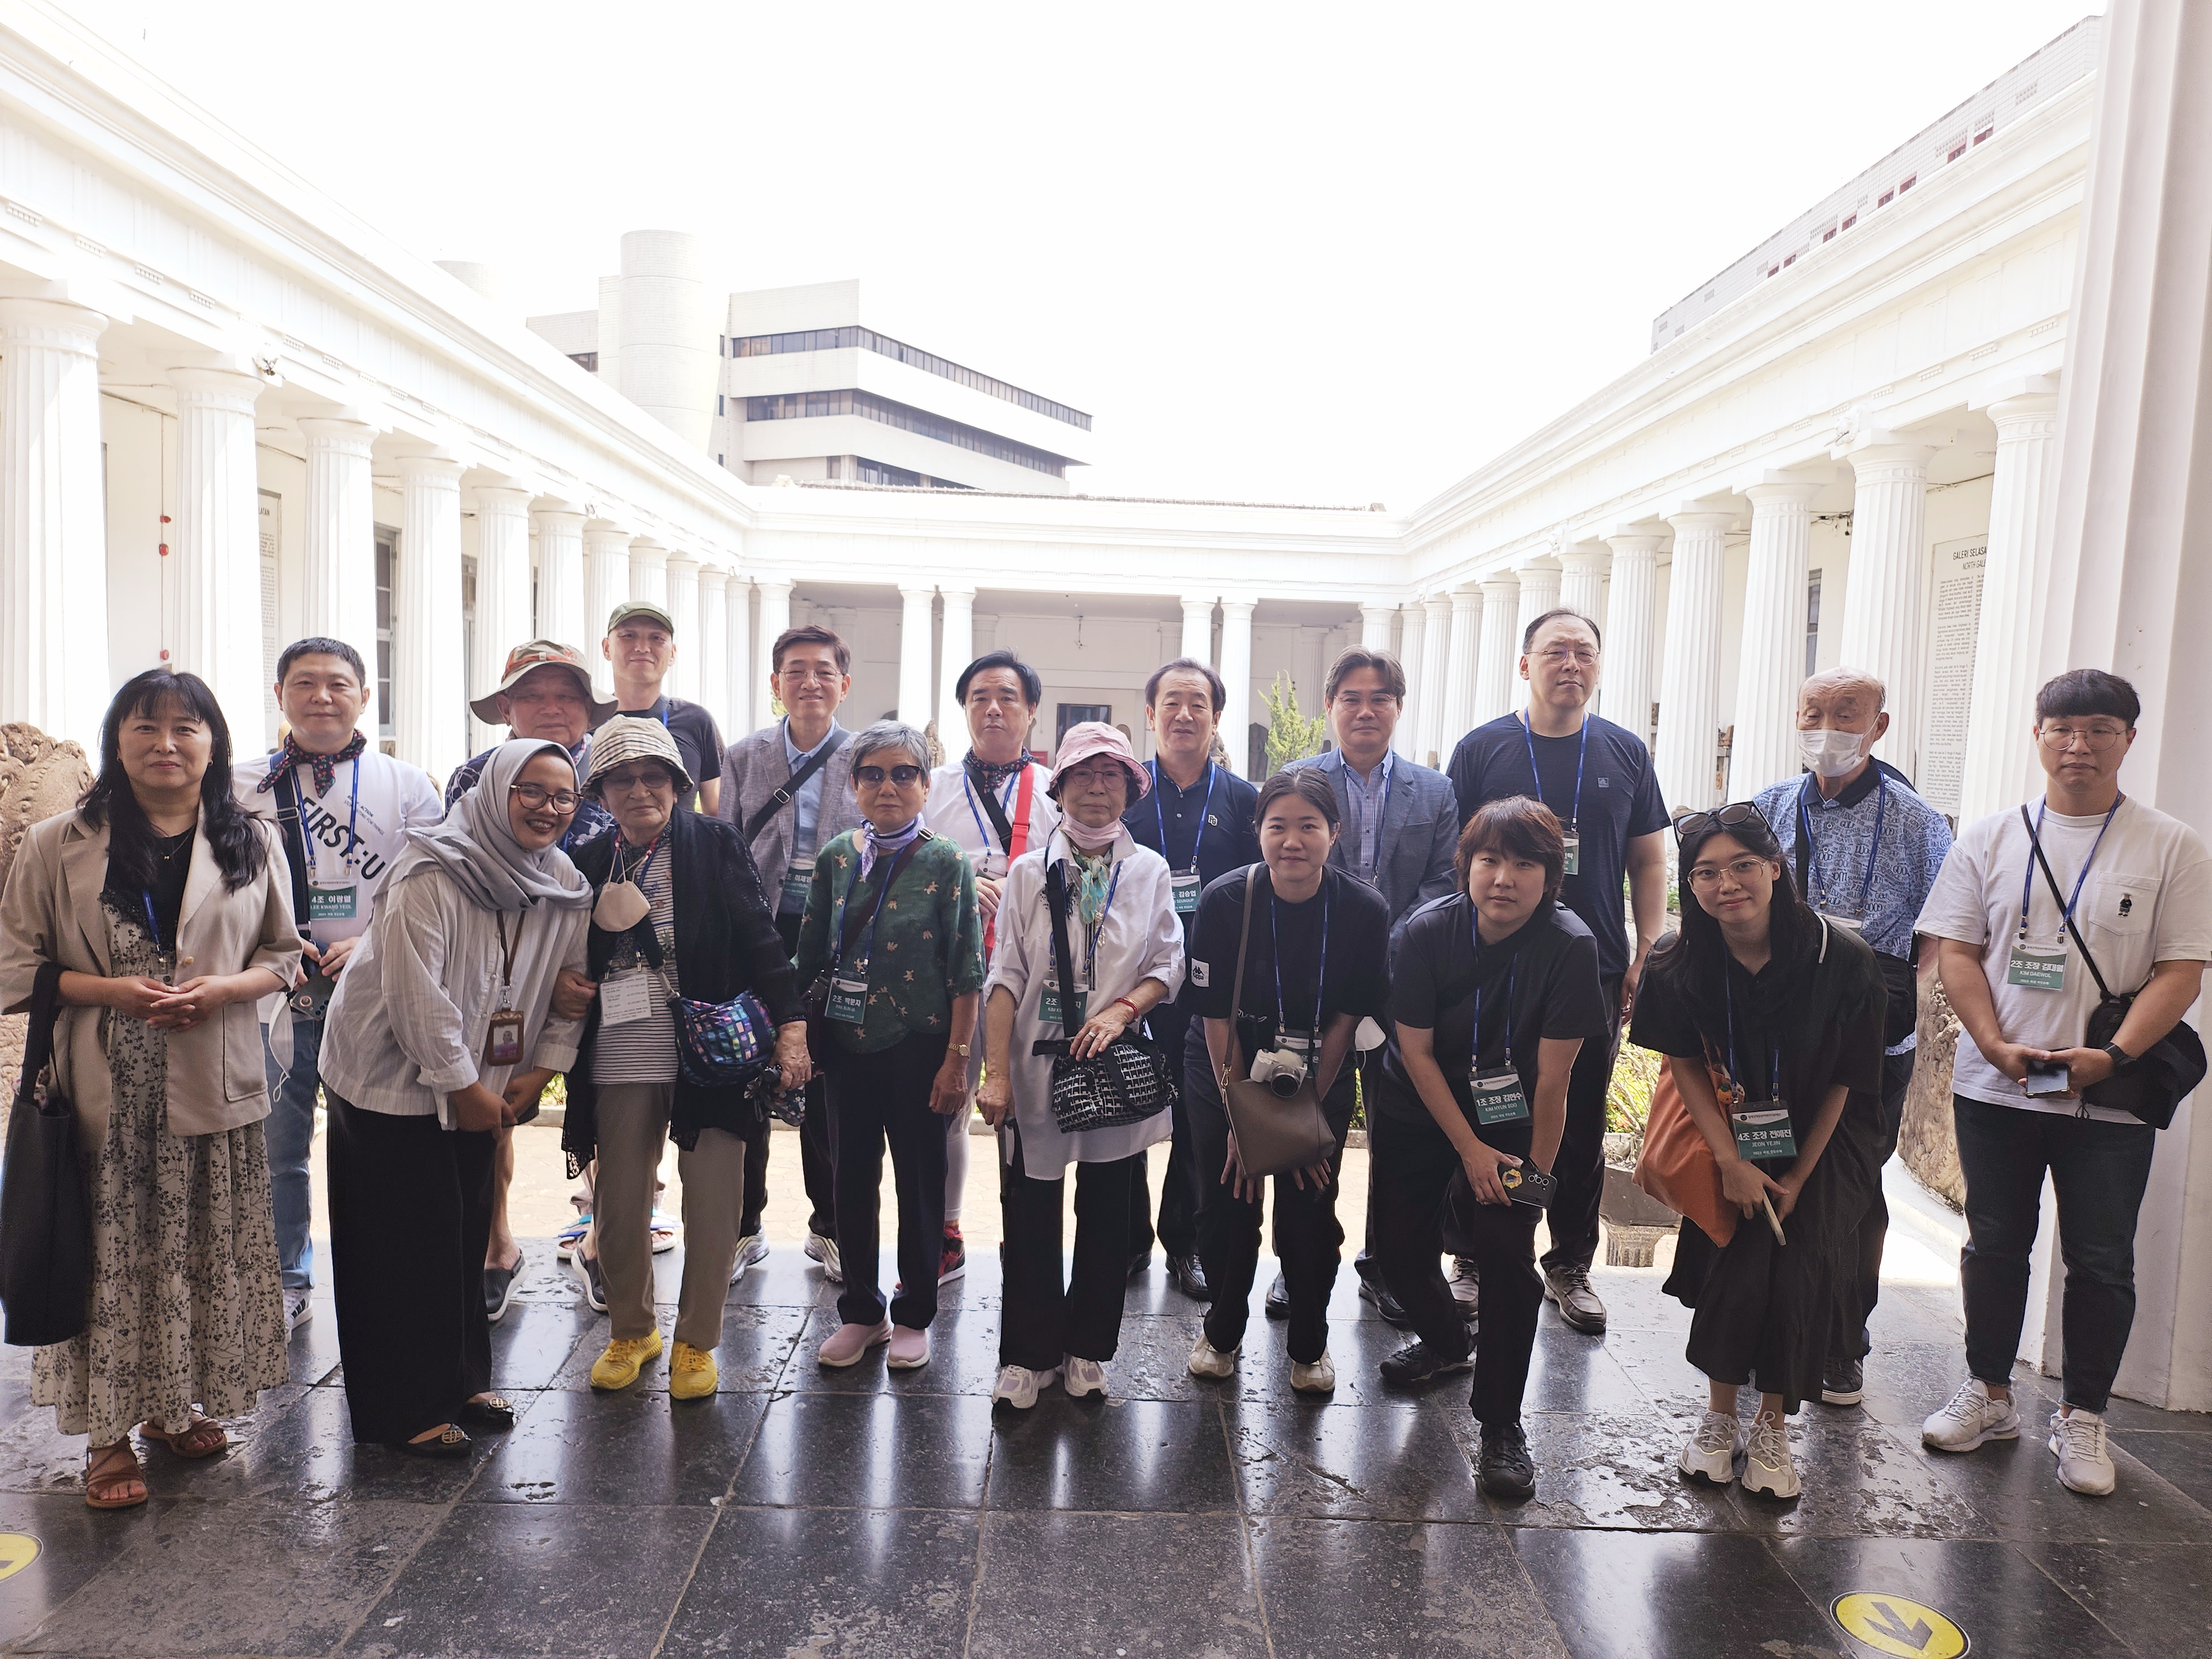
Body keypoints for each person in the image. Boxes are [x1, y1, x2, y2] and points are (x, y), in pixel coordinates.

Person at [0, 669, 301, 1510]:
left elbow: (284, 957)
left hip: (213, 1080)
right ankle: (107, 1438)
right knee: (110, 1261)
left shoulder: (251, 840)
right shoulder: (58, 842)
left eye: (186, 729)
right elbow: (14, 968)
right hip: (103, 1090)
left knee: (199, 1253)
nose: (166, 745)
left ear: (214, 744)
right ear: (117, 739)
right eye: (146, 728)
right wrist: (112, 993)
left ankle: (173, 1408)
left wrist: (220, 992)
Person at [1916, 670, 2209, 1498]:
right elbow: (1957, 953)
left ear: (2128, 740)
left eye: (2099, 730)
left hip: (2108, 1097)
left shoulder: (2172, 845)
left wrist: (2112, 1057)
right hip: (1996, 1086)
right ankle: (1989, 1393)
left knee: (2102, 1258)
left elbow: (2182, 970)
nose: (2078, 745)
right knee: (1995, 1244)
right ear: (2037, 735)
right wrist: (1993, 1041)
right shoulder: (1991, 838)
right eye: (2062, 729)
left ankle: (2084, 1417)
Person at [319, 739, 593, 1456]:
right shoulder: (429, 872)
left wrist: (542, 1069)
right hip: (387, 1081)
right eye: (531, 790)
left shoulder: (562, 881)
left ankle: (462, 1379)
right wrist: (465, 1086)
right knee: (399, 1248)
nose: (549, 808)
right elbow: (418, 1000)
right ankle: (401, 1408)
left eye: (564, 795)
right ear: (495, 790)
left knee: (464, 1235)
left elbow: (573, 986)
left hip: (483, 1083)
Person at [1629, 802, 1887, 1501]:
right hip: (1726, 1124)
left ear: (1775, 868)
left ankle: (1773, 1425)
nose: (1726, 885)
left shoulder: (1843, 960)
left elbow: (1846, 1079)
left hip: (1826, 1137)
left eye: (1743, 866)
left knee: (1798, 1265)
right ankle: (1720, 1419)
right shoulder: (1679, 959)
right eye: (1706, 873)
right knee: (1735, 1258)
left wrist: (1799, 1173)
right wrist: (1730, 1161)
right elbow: (1682, 1062)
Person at [556, 719, 810, 1401]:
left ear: (675, 784)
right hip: (619, 1049)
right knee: (619, 1200)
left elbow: (761, 935)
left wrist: (792, 1027)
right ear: (600, 792)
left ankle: (697, 1342)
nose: (639, 790)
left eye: (653, 776)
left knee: (714, 1199)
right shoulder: (586, 858)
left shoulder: (712, 840)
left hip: (711, 1050)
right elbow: (562, 952)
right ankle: (633, 1331)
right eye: (621, 779)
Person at [1368, 799, 1608, 1497]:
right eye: (1489, 860)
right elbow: (1413, 1052)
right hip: (1420, 1106)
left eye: (1524, 863)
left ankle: (1501, 1423)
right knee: (1399, 1249)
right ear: (1465, 866)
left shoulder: (1569, 945)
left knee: (1506, 1258)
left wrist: (1531, 1181)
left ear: (1550, 876)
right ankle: (1448, 1345)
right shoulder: (1425, 932)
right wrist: (1466, 1149)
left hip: (1514, 1118)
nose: (1503, 878)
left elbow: (1556, 1078)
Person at [1446, 608, 1669, 1337]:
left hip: (1592, 965)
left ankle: (1569, 1265)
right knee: (1489, 1106)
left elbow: (1647, 858)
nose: (1569, 664)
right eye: (1554, 652)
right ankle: (1475, 1258)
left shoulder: (1626, 752)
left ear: (1598, 668)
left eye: (1583, 653)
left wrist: (1647, 946)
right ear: (1525, 665)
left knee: (1574, 1121)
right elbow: (1459, 861)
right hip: (1493, 962)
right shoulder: (1483, 749)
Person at [1749, 667, 1952, 1406]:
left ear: (1879, 726)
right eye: (1815, 711)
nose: (1828, 726)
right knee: (1766, 1170)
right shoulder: (1767, 809)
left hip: (1874, 1033)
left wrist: (1917, 1005)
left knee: (1852, 1190)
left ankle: (1843, 1342)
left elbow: (1941, 932)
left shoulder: (1917, 821)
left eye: (1847, 713)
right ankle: (1758, 1329)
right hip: (1775, 1034)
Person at [233, 637, 442, 1336]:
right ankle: (286, 1277)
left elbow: (429, 884)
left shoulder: (407, 783)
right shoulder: (239, 784)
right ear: (281, 694)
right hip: (275, 987)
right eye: (305, 683)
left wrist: (371, 943)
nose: (322, 696)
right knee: (276, 1146)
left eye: (337, 684)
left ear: (364, 696)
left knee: (377, 1145)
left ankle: (381, 1276)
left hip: (373, 986)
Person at [978, 724, 1185, 1407]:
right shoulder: (1029, 874)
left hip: (1111, 1065)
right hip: (1036, 1065)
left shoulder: (1148, 870)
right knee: (1030, 1213)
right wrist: (995, 1074)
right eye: (1083, 774)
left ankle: (1088, 1350)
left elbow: (1166, 965)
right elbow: (1005, 975)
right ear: (1060, 786)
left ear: (1130, 788)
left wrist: (1121, 1010)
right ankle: (1027, 1355)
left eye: (1113, 775)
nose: (1098, 786)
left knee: (1107, 1215)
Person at [1182, 769, 1391, 1393]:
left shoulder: (1362, 910)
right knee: (1225, 1203)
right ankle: (1221, 1330)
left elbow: (1346, 1022)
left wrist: (1299, 1122)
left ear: (1335, 831)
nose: (1292, 841)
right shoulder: (1225, 900)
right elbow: (1215, 1018)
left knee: (1308, 1208)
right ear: (1258, 831)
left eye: (1309, 826)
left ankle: (1309, 1343)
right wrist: (1246, 1125)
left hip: (1319, 1070)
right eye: (1278, 826)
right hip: (1225, 1065)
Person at [797, 721, 987, 1372]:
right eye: (872, 774)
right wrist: (796, 1036)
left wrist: (957, 1061)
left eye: (903, 773)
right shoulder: (836, 859)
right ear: (853, 785)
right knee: (851, 1182)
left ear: (925, 784)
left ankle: (913, 1313)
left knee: (920, 1183)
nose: (888, 786)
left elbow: (968, 971)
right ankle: (861, 1312)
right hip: (847, 1048)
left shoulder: (947, 862)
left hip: (920, 1048)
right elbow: (809, 955)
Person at [1286, 646, 1458, 1327]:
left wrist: (1381, 942)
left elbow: (1445, 883)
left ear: (1397, 709)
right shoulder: (1299, 780)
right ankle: (1304, 1260)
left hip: (1402, 988)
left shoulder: (1435, 791)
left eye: (1379, 698)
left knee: (1399, 1137)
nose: (1365, 710)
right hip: (1316, 984)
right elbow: (1285, 871)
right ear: (1329, 707)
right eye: (1351, 698)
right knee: (1312, 1125)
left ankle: (1387, 1267)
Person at [446, 640, 615, 1322]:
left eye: (568, 696)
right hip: (501, 975)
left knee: (605, 1108)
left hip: (594, 975)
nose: (553, 708)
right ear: (507, 709)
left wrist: (592, 971)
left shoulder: (613, 769)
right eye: (535, 695)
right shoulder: (473, 777)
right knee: (494, 1108)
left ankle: (605, 1239)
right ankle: (495, 1246)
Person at [719, 623, 863, 1283]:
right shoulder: (745, 755)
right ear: (776, 684)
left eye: (823, 671)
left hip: (836, 936)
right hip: (758, 929)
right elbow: (722, 847)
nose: (810, 682)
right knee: (747, 1074)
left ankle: (829, 1225)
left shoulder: (866, 754)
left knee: (828, 1081)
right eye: (795, 671)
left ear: (844, 683)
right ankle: (745, 1225)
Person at [1121, 656, 1259, 1302]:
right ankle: (1123, 1241)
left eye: (1197, 704)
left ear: (1215, 717)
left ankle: (1186, 1243)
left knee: (1196, 1117)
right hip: (1130, 982)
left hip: (1211, 988)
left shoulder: (1244, 800)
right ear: (1148, 715)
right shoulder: (1123, 791)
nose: (1183, 714)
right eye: (1170, 703)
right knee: (1121, 1105)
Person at [921, 650, 1061, 1285]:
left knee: (1022, 1103)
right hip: (946, 976)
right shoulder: (933, 786)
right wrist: (959, 886)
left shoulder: (1057, 790)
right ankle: (946, 1229)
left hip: (1024, 981)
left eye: (1007, 696)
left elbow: (1073, 880)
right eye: (979, 697)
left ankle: (1022, 1231)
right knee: (946, 1100)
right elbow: (909, 870)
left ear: (1031, 711)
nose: (993, 709)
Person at [600, 599, 724, 816]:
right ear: (607, 648)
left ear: (673, 653)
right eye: (628, 636)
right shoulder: (588, 721)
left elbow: (718, 812)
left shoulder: (696, 721)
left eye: (656, 638)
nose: (642, 647)